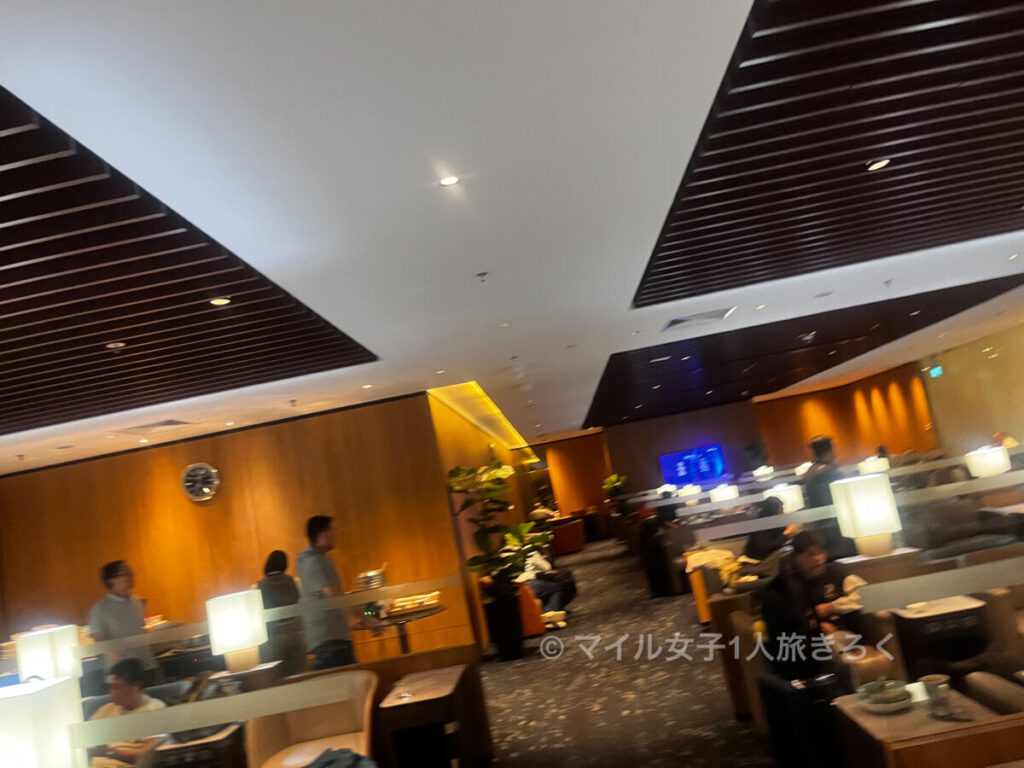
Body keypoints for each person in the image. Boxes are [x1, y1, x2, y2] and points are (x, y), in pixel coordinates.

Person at [760, 531, 864, 679]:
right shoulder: (793, 586)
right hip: (815, 641)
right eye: (810, 555)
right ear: (797, 557)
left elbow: (864, 596)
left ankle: (849, 680)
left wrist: (832, 607)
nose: (817, 559)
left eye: (820, 553)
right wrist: (817, 627)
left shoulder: (835, 573)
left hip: (845, 633)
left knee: (830, 643)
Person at [296, 516, 355, 669]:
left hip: (327, 639)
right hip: (331, 639)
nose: (335, 535)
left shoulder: (308, 561)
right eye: (332, 531)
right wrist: (364, 618)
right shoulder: (316, 562)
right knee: (346, 677)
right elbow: (335, 597)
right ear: (322, 535)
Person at [87, 560, 157, 683]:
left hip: (146, 665)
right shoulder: (101, 608)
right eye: (125, 572)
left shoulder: (136, 601)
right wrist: (110, 651)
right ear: (111, 580)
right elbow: (97, 638)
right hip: (122, 673)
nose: (131, 575)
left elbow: (141, 629)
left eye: (130, 571)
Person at [88, 657, 166, 767]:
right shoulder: (107, 709)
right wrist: (126, 748)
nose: (112, 692)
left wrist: (109, 749)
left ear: (136, 687)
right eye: (110, 687)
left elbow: (145, 753)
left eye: (117, 687)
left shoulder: (155, 710)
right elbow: (87, 743)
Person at [257, 550, 306, 676]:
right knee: (298, 675)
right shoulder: (295, 581)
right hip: (294, 634)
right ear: (285, 564)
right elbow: (303, 605)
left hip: (270, 638)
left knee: (276, 678)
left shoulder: (257, 587)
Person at [516, 551, 576, 617]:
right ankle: (550, 611)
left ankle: (552, 610)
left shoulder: (544, 579)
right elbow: (546, 568)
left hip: (524, 590)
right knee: (559, 587)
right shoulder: (557, 585)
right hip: (527, 590)